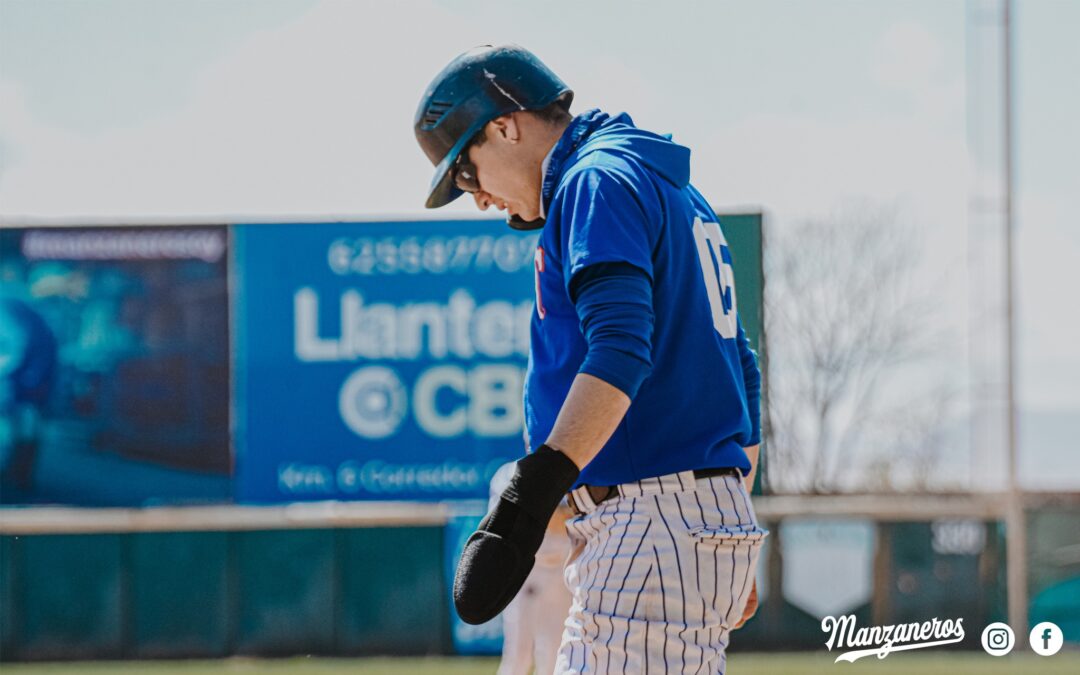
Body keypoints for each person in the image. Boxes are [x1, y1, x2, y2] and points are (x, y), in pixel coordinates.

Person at [415, 44, 765, 674]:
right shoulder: (666, 184)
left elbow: (622, 344)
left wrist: (530, 496)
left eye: (466, 172)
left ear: (505, 124)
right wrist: (732, 511)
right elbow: (741, 366)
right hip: (680, 519)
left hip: (651, 520)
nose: (480, 198)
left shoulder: (593, 179)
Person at [487, 461, 573, 675]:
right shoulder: (509, 474)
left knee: (555, 654)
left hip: (561, 572)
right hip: (525, 573)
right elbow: (542, 521)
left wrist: (549, 513)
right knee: (518, 655)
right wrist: (559, 513)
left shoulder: (569, 476)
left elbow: (565, 520)